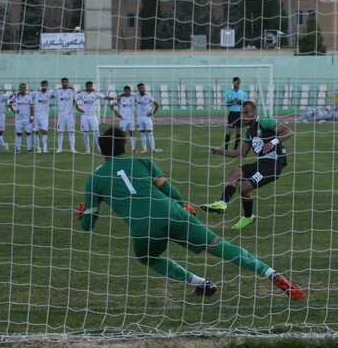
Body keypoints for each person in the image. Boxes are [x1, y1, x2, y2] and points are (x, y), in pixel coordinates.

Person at [78, 127, 305, 300]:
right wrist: (183, 205)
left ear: (101, 150)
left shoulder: (94, 179)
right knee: (218, 245)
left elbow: (88, 224)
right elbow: (169, 190)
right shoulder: (142, 161)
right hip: (173, 212)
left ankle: (201, 283)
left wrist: (82, 215)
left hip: (144, 227)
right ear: (125, 147)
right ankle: (271, 273)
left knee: (148, 258)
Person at [204, 100, 292, 230]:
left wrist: (272, 142)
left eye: (246, 113)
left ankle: (247, 217)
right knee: (235, 172)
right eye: (241, 113)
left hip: (274, 164)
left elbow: (288, 131)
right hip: (262, 163)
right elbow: (241, 153)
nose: (243, 116)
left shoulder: (264, 121)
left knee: (244, 187)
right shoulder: (249, 132)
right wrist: (219, 151)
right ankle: (223, 203)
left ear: (254, 113)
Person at [75, 80, 105, 153]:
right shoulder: (82, 94)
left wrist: (114, 98)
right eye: (88, 86)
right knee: (85, 133)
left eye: (91, 86)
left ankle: (99, 148)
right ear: (86, 87)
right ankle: (87, 149)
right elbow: (73, 99)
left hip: (93, 115)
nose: (89, 87)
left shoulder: (95, 93)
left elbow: (104, 97)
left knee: (96, 132)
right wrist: (77, 108)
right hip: (84, 116)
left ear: (92, 86)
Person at [53, 77, 77, 153]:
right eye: (63, 82)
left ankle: (72, 149)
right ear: (61, 83)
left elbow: (79, 95)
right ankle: (59, 148)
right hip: (61, 115)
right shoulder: (57, 91)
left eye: (66, 82)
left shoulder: (72, 91)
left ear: (68, 83)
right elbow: (48, 93)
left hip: (70, 115)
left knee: (71, 132)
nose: (64, 83)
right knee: (60, 132)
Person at [135, 83, 161, 153]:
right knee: (142, 133)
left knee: (150, 132)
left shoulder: (149, 96)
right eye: (140, 88)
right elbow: (126, 95)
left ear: (145, 88)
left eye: (143, 88)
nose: (141, 89)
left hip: (147, 117)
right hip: (139, 117)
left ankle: (153, 148)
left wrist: (152, 113)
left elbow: (157, 104)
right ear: (138, 89)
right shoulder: (135, 96)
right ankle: (144, 149)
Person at [223, 76, 247, 150]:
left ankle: (235, 149)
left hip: (239, 114)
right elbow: (227, 104)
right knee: (229, 131)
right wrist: (233, 101)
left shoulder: (243, 93)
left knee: (239, 132)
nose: (237, 84)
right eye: (236, 83)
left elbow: (245, 104)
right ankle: (226, 148)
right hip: (232, 114)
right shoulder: (229, 93)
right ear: (233, 83)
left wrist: (240, 102)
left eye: (239, 83)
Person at [10, 83, 34, 153]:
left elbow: (32, 107)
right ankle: (18, 149)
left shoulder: (29, 97)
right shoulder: (16, 96)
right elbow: (9, 103)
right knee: (19, 133)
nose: (22, 90)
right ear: (20, 89)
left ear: (25, 89)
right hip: (19, 119)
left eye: (23, 88)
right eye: (21, 88)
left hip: (27, 118)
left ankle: (29, 149)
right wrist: (14, 110)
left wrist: (32, 117)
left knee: (28, 133)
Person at [30, 79, 52, 153]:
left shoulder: (50, 93)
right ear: (40, 86)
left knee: (44, 132)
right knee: (35, 132)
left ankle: (45, 148)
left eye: (45, 85)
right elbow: (28, 96)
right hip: (36, 115)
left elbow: (58, 91)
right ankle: (38, 148)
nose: (44, 87)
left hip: (45, 116)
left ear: (47, 86)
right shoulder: (35, 93)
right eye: (42, 85)